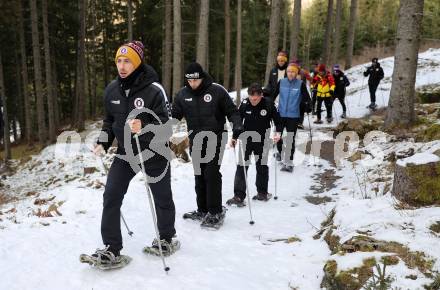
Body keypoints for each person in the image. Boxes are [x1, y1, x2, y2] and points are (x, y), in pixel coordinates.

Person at [90, 41, 178, 265]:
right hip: (126, 152)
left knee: (162, 198)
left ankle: (167, 237)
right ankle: (112, 248)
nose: (122, 65)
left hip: (154, 153)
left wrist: (145, 127)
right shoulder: (111, 90)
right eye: (118, 61)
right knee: (111, 195)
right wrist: (103, 141)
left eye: (127, 60)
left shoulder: (154, 90)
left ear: (137, 62)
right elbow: (109, 121)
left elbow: (167, 127)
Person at [172, 62, 242, 229]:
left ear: (202, 77)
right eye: (190, 81)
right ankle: (202, 209)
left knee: (211, 173)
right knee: (199, 174)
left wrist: (237, 126)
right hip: (196, 138)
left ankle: (215, 211)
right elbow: (174, 117)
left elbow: (232, 111)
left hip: (216, 137)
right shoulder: (182, 95)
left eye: (196, 80)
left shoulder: (216, 90)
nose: (193, 84)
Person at [226, 83, 281, 206]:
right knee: (242, 167)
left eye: (255, 99)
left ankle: (262, 192)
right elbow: (238, 121)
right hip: (246, 139)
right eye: (251, 98)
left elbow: (278, 120)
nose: (253, 101)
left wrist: (278, 133)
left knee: (261, 166)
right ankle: (238, 196)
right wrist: (234, 137)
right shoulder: (245, 104)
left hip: (263, 139)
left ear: (261, 95)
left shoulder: (268, 104)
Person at [273, 62, 311, 172]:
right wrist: (268, 103)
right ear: (286, 72)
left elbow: (306, 98)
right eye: (289, 71)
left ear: (296, 73)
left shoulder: (300, 84)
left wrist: (308, 105)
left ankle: (289, 163)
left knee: (290, 139)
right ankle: (280, 153)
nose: (290, 73)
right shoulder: (281, 82)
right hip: (280, 114)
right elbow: (273, 94)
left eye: (293, 72)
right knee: (277, 136)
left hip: (293, 116)